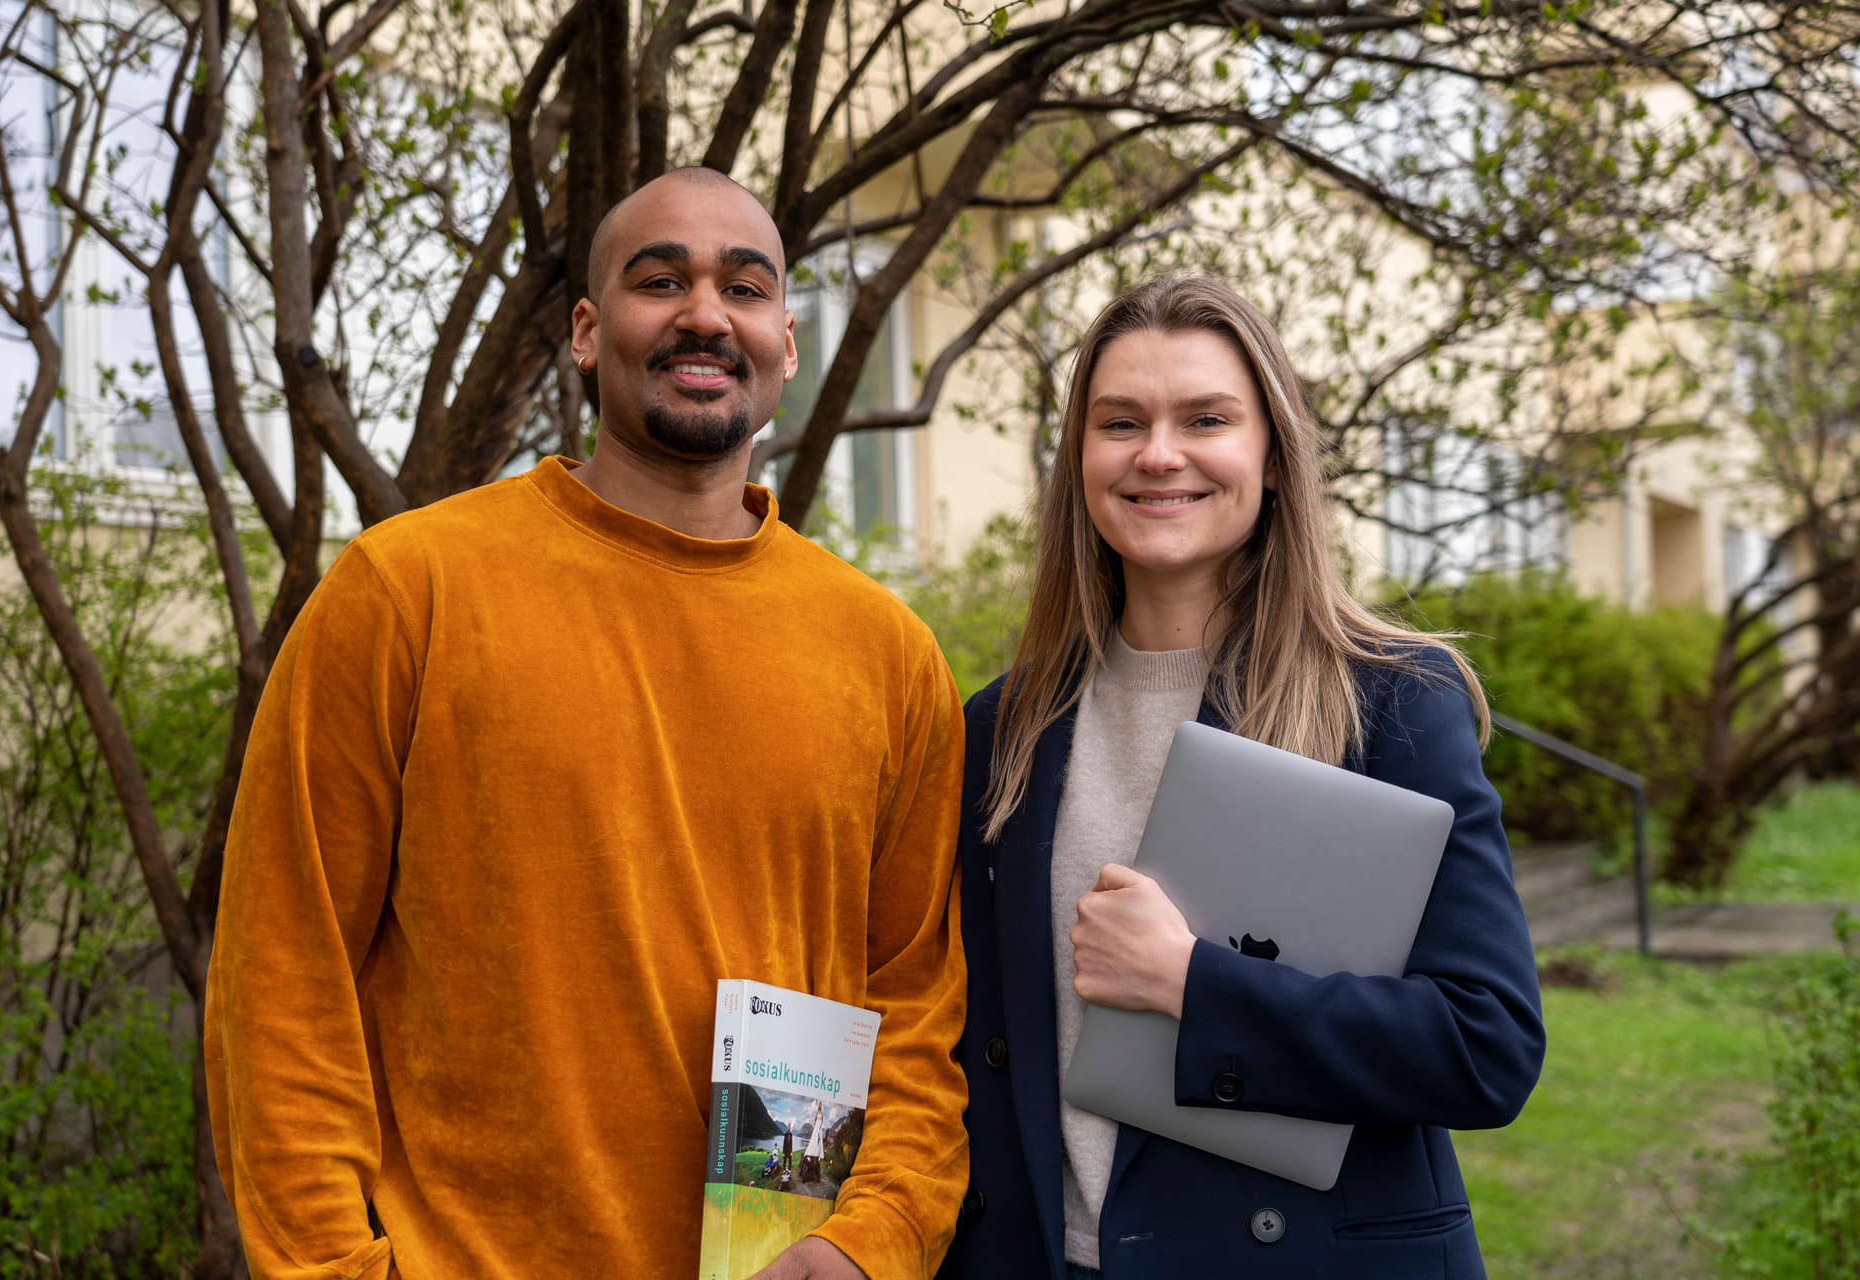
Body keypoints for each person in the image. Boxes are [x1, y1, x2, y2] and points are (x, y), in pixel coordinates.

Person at [204, 168, 969, 1280]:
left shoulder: (886, 655)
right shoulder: (407, 589)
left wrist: (872, 1241)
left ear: (786, 344)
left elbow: (914, 1013)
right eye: (661, 280)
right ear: (585, 328)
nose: (705, 313)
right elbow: (284, 971)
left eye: (744, 289)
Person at [938, 276, 1545, 1280]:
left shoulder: (1387, 702)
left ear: (1271, 456)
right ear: (1079, 462)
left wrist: (1193, 984)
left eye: (1207, 418)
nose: (1159, 453)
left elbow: (1486, 1044)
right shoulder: (1003, 725)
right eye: (1119, 421)